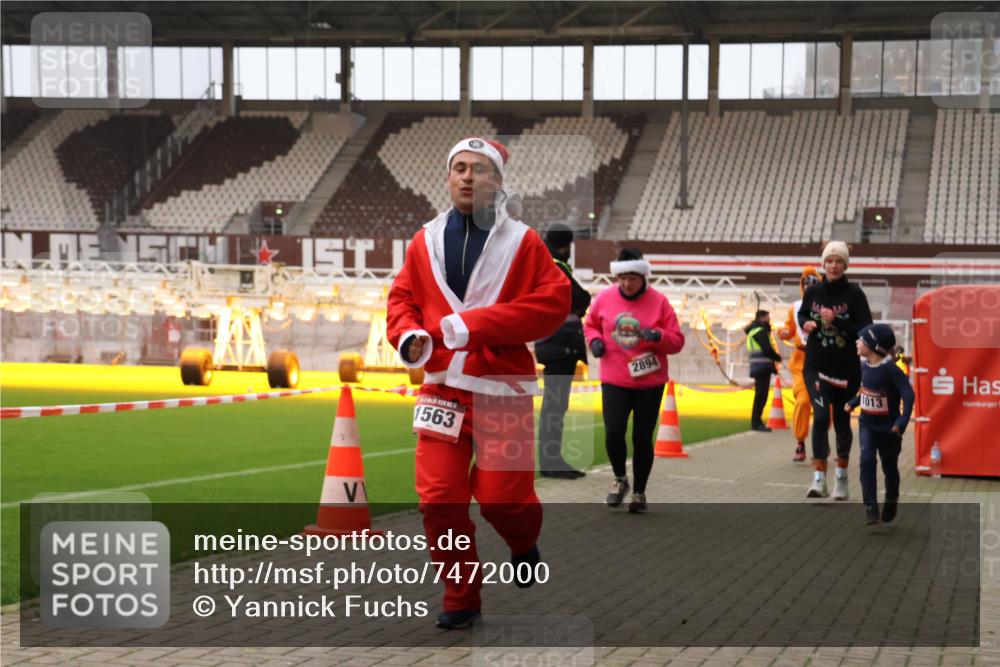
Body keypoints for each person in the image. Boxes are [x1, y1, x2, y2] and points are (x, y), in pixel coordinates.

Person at [386, 137, 571, 630]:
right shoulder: (422, 240)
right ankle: (461, 594)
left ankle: (522, 542)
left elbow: (553, 304)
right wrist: (407, 336)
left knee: (502, 499)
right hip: (441, 390)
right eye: (460, 168)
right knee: (438, 500)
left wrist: (476, 326)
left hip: (501, 393)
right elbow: (401, 299)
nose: (468, 176)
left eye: (480, 169)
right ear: (448, 178)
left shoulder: (524, 242)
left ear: (499, 181)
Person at [584, 248, 685, 513]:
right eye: (623, 278)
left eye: (633, 278)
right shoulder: (604, 298)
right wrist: (594, 341)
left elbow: (677, 342)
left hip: (648, 382)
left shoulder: (660, 302)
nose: (627, 283)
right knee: (614, 431)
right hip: (615, 378)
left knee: (642, 437)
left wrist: (658, 336)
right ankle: (620, 480)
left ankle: (639, 492)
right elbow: (590, 324)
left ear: (643, 277)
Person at [798, 241, 873, 500]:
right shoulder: (814, 291)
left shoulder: (855, 294)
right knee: (819, 417)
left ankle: (841, 476)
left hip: (847, 370)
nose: (833, 265)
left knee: (842, 423)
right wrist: (806, 323)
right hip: (816, 366)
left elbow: (865, 330)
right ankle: (819, 477)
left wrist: (837, 320)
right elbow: (803, 315)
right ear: (824, 264)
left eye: (838, 261)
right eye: (829, 261)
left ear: (845, 265)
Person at [534, 223, 592, 479]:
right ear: (566, 244)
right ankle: (550, 461)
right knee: (555, 407)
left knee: (555, 406)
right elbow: (579, 298)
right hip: (559, 344)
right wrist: (581, 303)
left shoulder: (545, 260)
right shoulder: (555, 264)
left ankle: (552, 459)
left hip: (554, 343)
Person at [845, 324, 914, 525]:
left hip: (889, 429)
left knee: (889, 466)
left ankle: (891, 499)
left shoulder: (891, 370)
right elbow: (867, 391)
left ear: (873, 346)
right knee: (866, 461)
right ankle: (870, 507)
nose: (857, 342)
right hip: (866, 424)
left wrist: (902, 422)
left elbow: (909, 395)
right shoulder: (865, 366)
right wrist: (854, 402)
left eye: (861, 340)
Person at [777, 266, 821, 460]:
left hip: (824, 361)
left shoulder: (828, 305)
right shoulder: (795, 307)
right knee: (803, 401)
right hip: (801, 361)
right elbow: (789, 326)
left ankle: (821, 442)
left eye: (813, 281)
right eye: (806, 282)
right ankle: (800, 442)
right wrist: (785, 332)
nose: (809, 285)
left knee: (823, 406)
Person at [744, 310, 782, 432]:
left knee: (760, 395)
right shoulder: (760, 332)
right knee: (761, 395)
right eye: (767, 318)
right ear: (762, 318)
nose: (769, 320)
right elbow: (767, 350)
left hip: (759, 366)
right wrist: (777, 358)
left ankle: (756, 421)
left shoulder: (754, 331)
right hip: (762, 367)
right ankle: (756, 422)